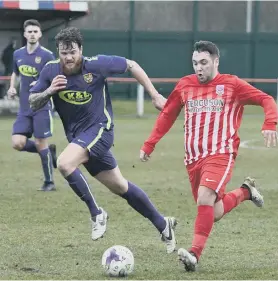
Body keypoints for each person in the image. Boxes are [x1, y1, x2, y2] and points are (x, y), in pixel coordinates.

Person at [28, 26, 177, 254]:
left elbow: (131, 65)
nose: (68, 57)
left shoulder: (96, 65)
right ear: (58, 52)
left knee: (65, 163)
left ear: (81, 50)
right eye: (63, 52)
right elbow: (32, 102)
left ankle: (97, 213)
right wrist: (49, 91)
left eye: (73, 52)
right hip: (80, 138)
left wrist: (155, 95)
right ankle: (162, 224)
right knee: (121, 186)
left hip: (101, 130)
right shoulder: (50, 71)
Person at [140, 40, 278, 271]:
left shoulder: (232, 84)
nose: (199, 68)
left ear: (216, 61)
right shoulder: (185, 85)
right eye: (195, 63)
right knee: (211, 212)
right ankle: (246, 191)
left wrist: (270, 123)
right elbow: (167, 114)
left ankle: (194, 254)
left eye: (204, 62)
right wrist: (149, 144)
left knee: (204, 198)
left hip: (221, 154)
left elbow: (266, 99)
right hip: (193, 159)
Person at [7, 19, 57, 191]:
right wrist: (13, 87)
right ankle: (48, 153)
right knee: (17, 143)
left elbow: (54, 80)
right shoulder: (18, 54)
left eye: (36, 31)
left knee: (40, 142)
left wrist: (40, 85)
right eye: (29, 31)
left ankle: (49, 182)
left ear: (40, 34)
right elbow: (14, 72)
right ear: (24, 34)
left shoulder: (47, 56)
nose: (32, 34)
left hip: (41, 106)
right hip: (24, 108)